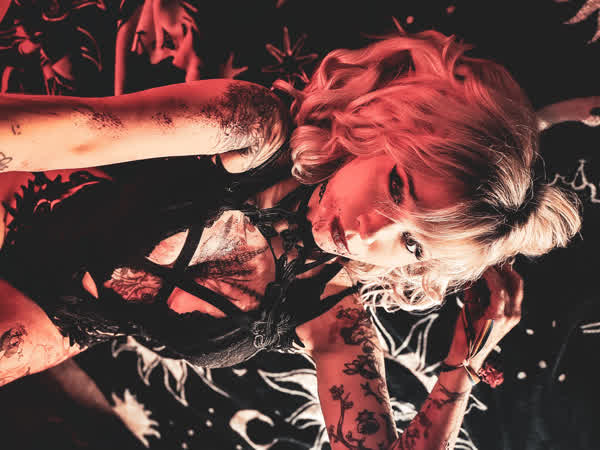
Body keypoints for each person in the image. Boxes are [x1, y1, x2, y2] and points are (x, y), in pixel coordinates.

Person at [0, 29, 581, 449]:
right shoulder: (252, 127)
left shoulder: (330, 309)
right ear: (382, 129)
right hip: (22, 198)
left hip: (58, 317)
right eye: (397, 186)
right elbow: (66, 136)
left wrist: (463, 364)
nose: (370, 232)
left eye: (411, 245)